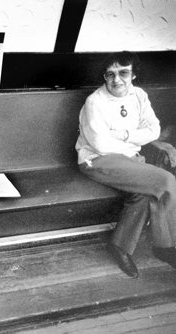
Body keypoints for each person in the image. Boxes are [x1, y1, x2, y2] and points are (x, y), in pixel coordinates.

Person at [76, 51, 176, 279]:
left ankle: (120, 247)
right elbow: (100, 143)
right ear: (104, 77)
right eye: (110, 74)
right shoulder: (95, 102)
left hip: (127, 158)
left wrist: (123, 134)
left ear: (134, 75)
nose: (116, 79)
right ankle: (165, 246)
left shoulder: (139, 95)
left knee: (144, 193)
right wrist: (134, 145)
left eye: (123, 73)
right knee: (167, 180)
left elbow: (154, 130)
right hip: (96, 160)